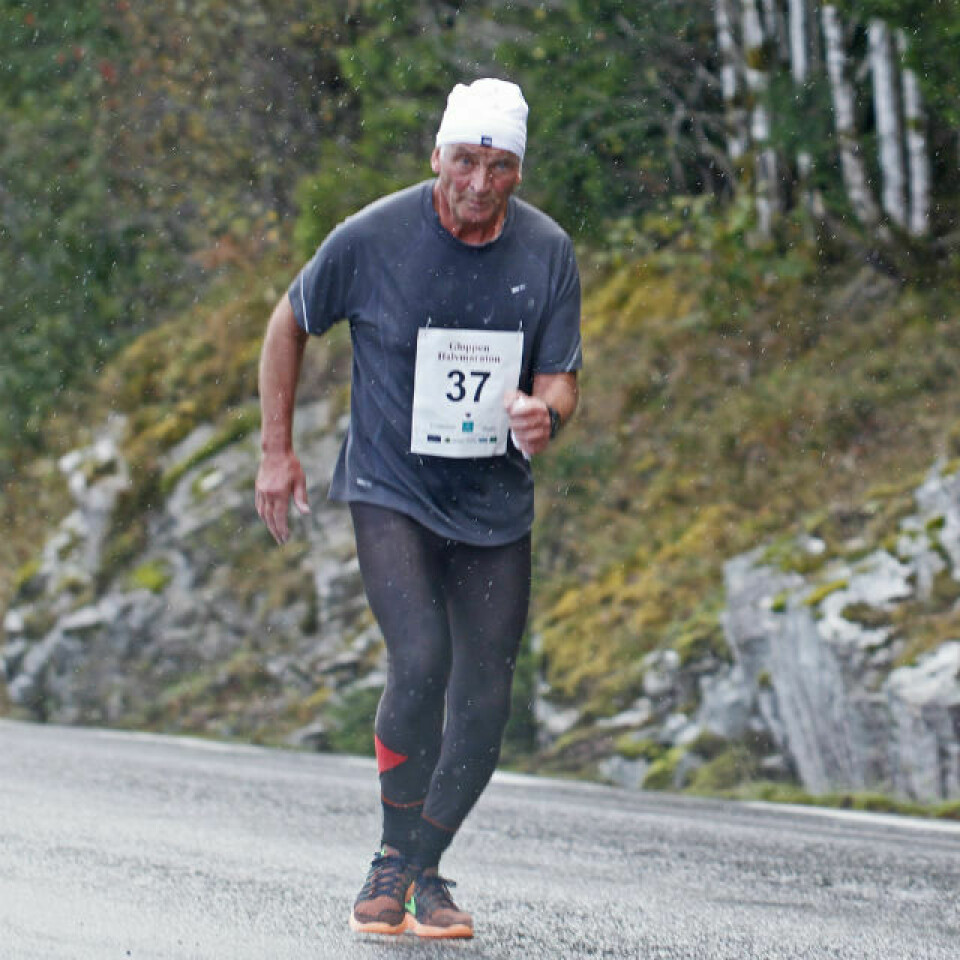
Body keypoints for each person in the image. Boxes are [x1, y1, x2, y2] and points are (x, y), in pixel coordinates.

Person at [255, 77, 581, 940]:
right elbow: (287, 324)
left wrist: (545, 414)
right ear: (435, 156)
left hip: (493, 498)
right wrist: (276, 451)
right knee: (422, 657)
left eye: (500, 165)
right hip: (391, 488)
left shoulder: (546, 251)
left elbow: (561, 376)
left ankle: (426, 867)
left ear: (518, 170)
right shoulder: (372, 237)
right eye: (466, 159)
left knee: (487, 699)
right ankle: (391, 860)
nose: (479, 182)